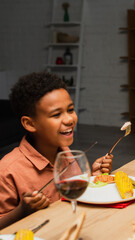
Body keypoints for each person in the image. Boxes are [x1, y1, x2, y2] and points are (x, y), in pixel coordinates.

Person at [0, 72, 113, 229]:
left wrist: (94, 178)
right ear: (30, 124)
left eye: (70, 109)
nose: (69, 119)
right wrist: (22, 211)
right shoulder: (7, 170)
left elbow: (74, 198)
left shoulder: (67, 154)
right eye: (56, 114)